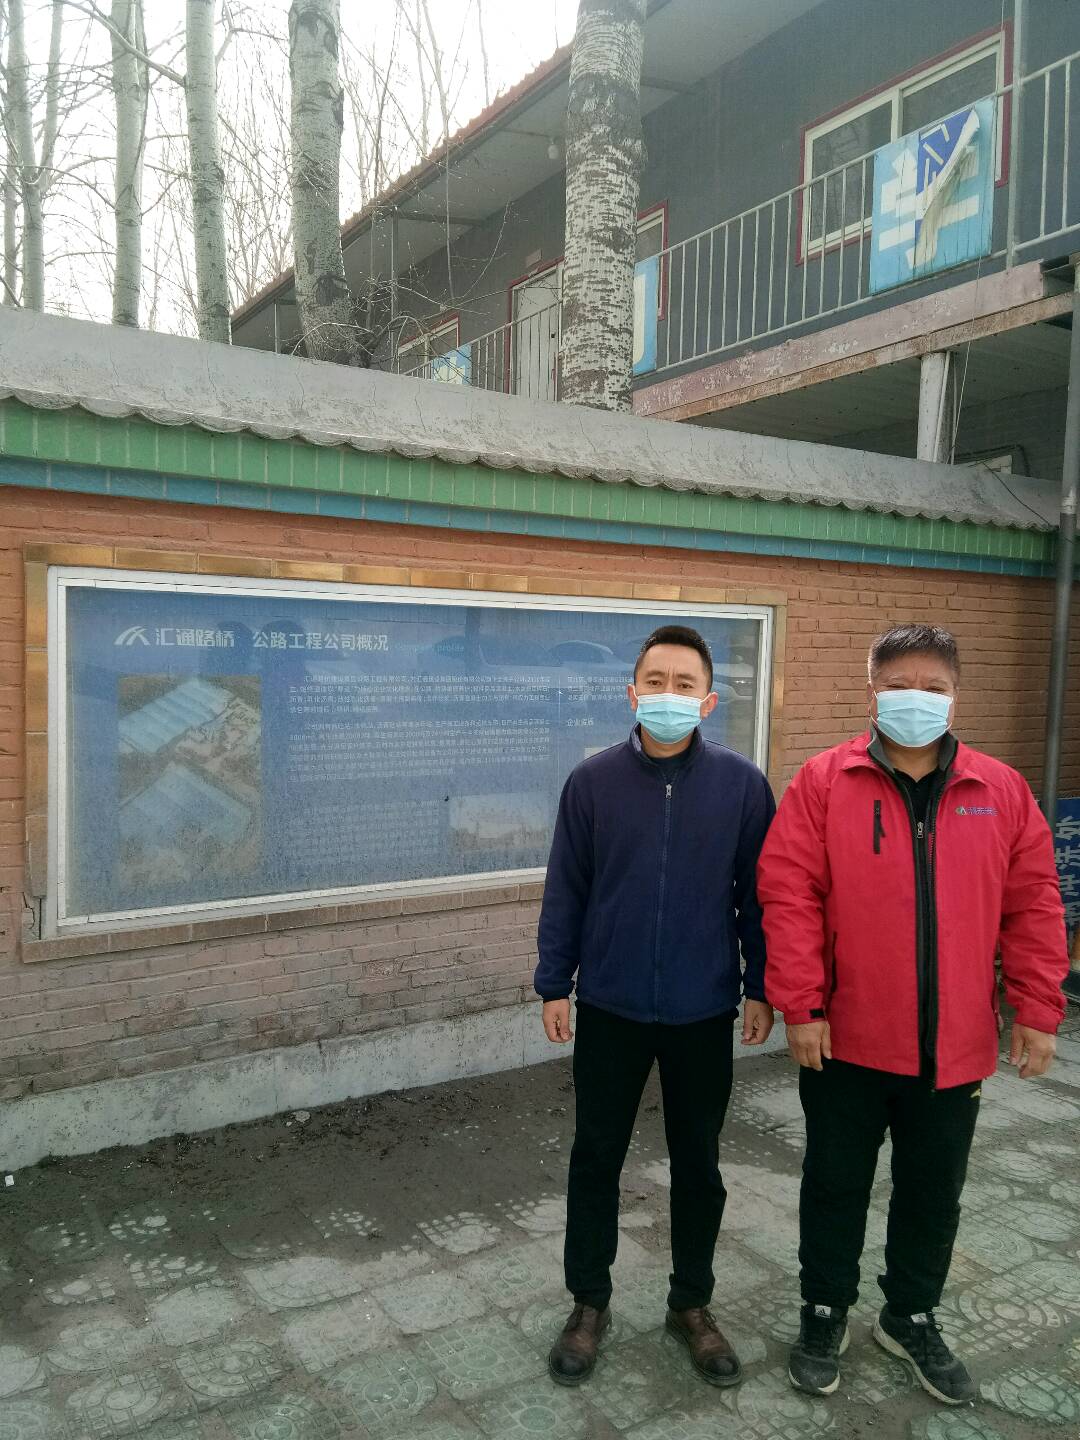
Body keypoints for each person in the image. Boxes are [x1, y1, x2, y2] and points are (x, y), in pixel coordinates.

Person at [758, 623, 1067, 1406]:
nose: (916, 700)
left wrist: (1037, 1008)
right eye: (900, 685)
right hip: (846, 1041)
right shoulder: (825, 782)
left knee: (933, 1194)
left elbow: (1034, 905)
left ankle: (911, 1314)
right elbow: (790, 896)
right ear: (873, 693)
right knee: (834, 1185)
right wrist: (802, 1004)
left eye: (934, 687)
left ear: (956, 697)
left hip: (955, 1048)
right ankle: (824, 1310)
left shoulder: (1000, 791)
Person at [534, 623, 776, 1388]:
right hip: (611, 1006)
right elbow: (567, 888)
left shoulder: (741, 787)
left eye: (684, 684)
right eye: (656, 681)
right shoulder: (593, 783)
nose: (668, 695)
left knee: (699, 1164)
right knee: (595, 1158)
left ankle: (691, 1304)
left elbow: (759, 899)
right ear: (632, 691)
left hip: (703, 1010)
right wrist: (554, 982)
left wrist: (761, 986)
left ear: (708, 700)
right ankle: (589, 1302)